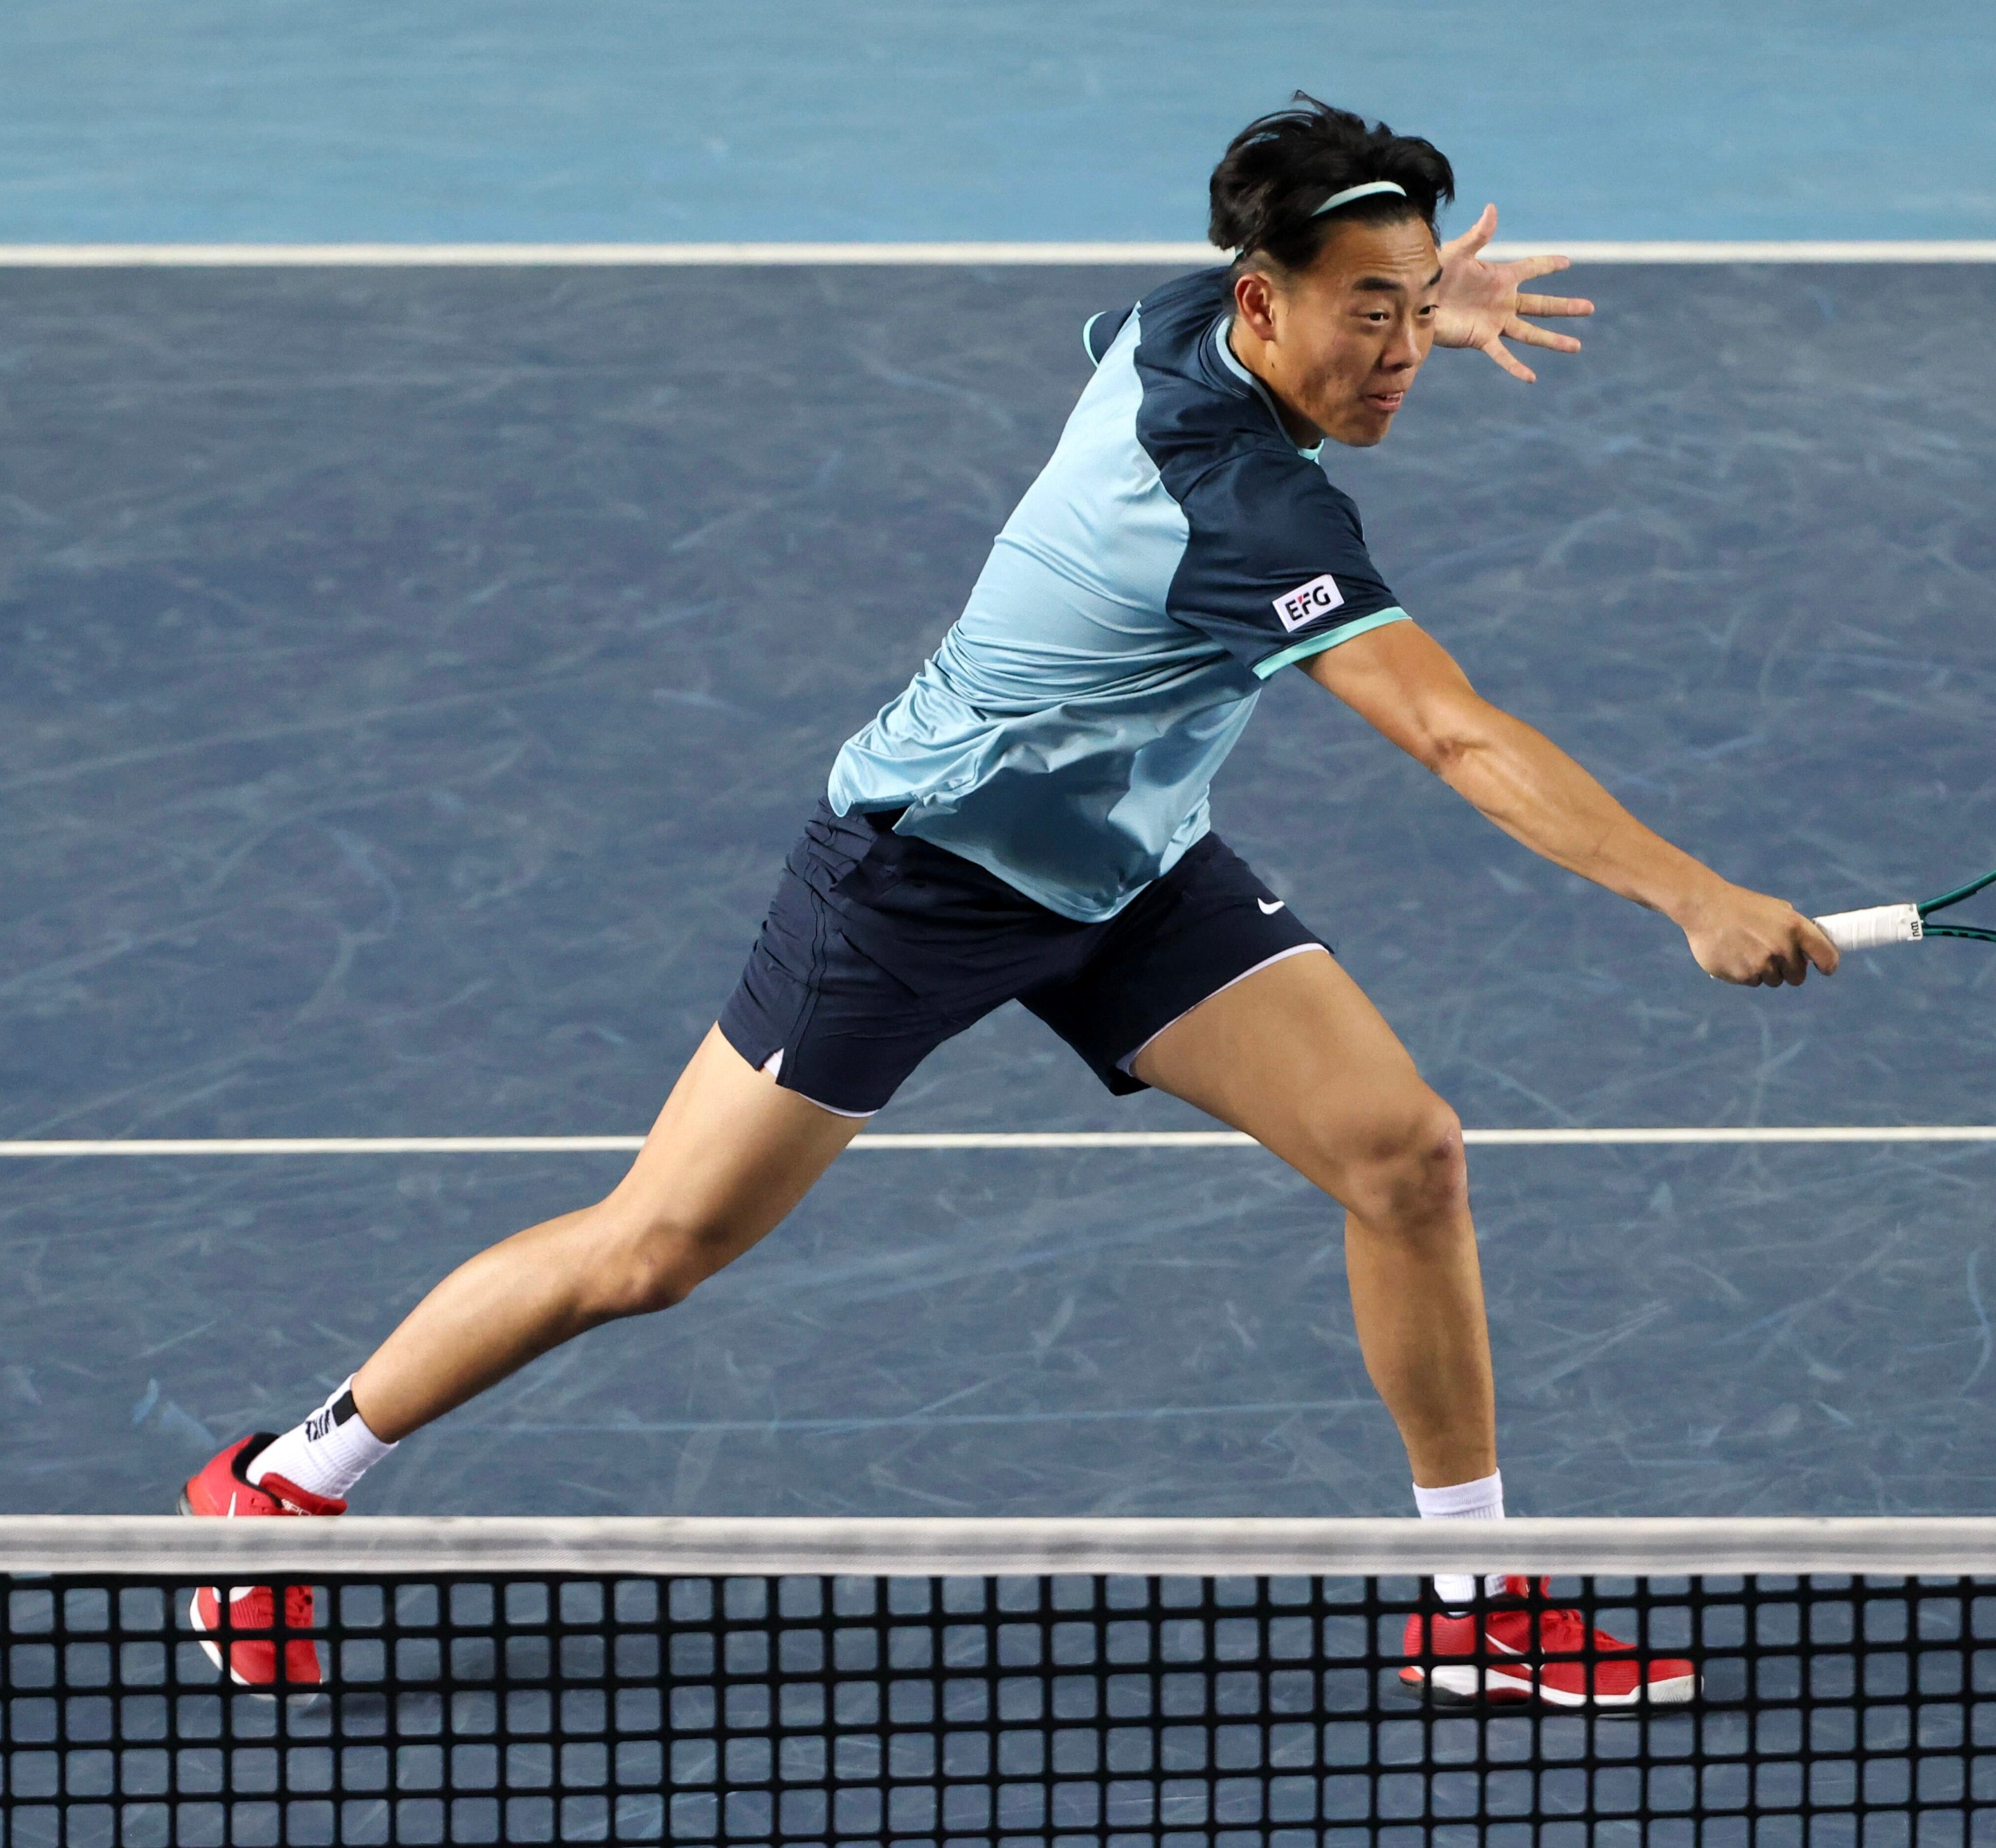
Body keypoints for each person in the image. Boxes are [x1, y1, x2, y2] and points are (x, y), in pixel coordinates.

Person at [179, 96, 1838, 1704]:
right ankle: (285, 1482)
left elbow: (1270, 304)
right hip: (922, 870)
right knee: (655, 1248)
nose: (1399, 356)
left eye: (1414, 314)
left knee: (1405, 1155)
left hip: (1127, 863)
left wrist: (1418, 294)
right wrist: (1691, 894)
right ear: (1266, 305)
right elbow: (1451, 729)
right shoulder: (1249, 504)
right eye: (1368, 320)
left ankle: (1474, 1599)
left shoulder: (1193, 317)